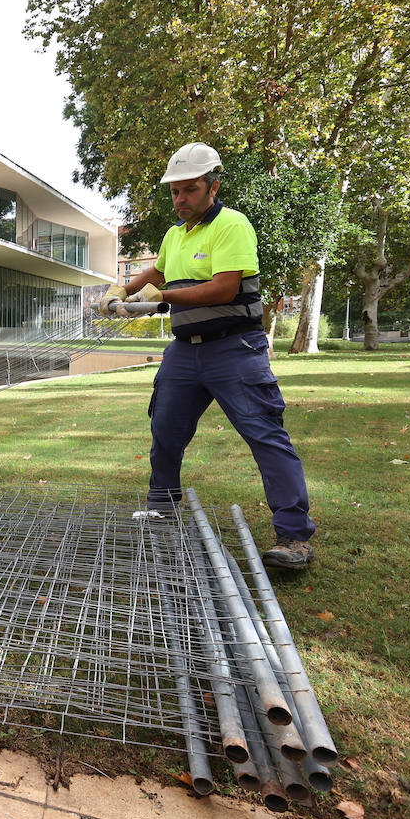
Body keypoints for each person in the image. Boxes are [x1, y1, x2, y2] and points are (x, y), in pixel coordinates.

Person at [99, 142, 316, 569]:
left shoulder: (232, 225)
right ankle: (161, 508)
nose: (180, 199)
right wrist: (121, 288)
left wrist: (163, 297)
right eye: (174, 191)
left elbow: (224, 288)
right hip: (184, 352)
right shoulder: (175, 235)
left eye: (190, 189)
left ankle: (294, 537)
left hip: (235, 349)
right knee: (165, 428)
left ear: (212, 187)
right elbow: (157, 271)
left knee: (265, 435)